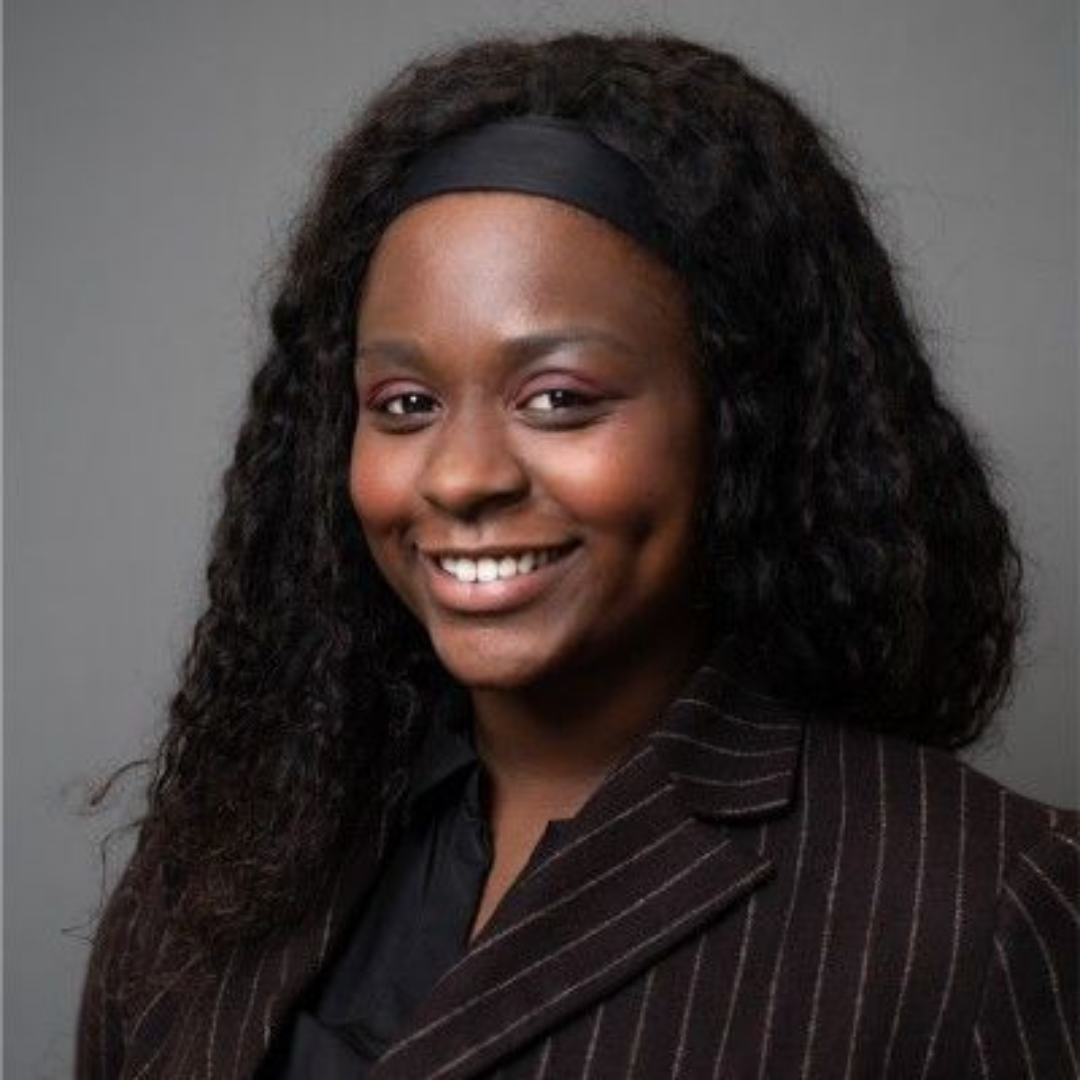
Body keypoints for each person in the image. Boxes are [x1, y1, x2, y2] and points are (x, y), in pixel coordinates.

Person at [75, 29, 1077, 1080]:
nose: (461, 477)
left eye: (557, 398)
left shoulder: (982, 907)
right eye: (404, 404)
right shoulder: (223, 860)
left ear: (740, 418)